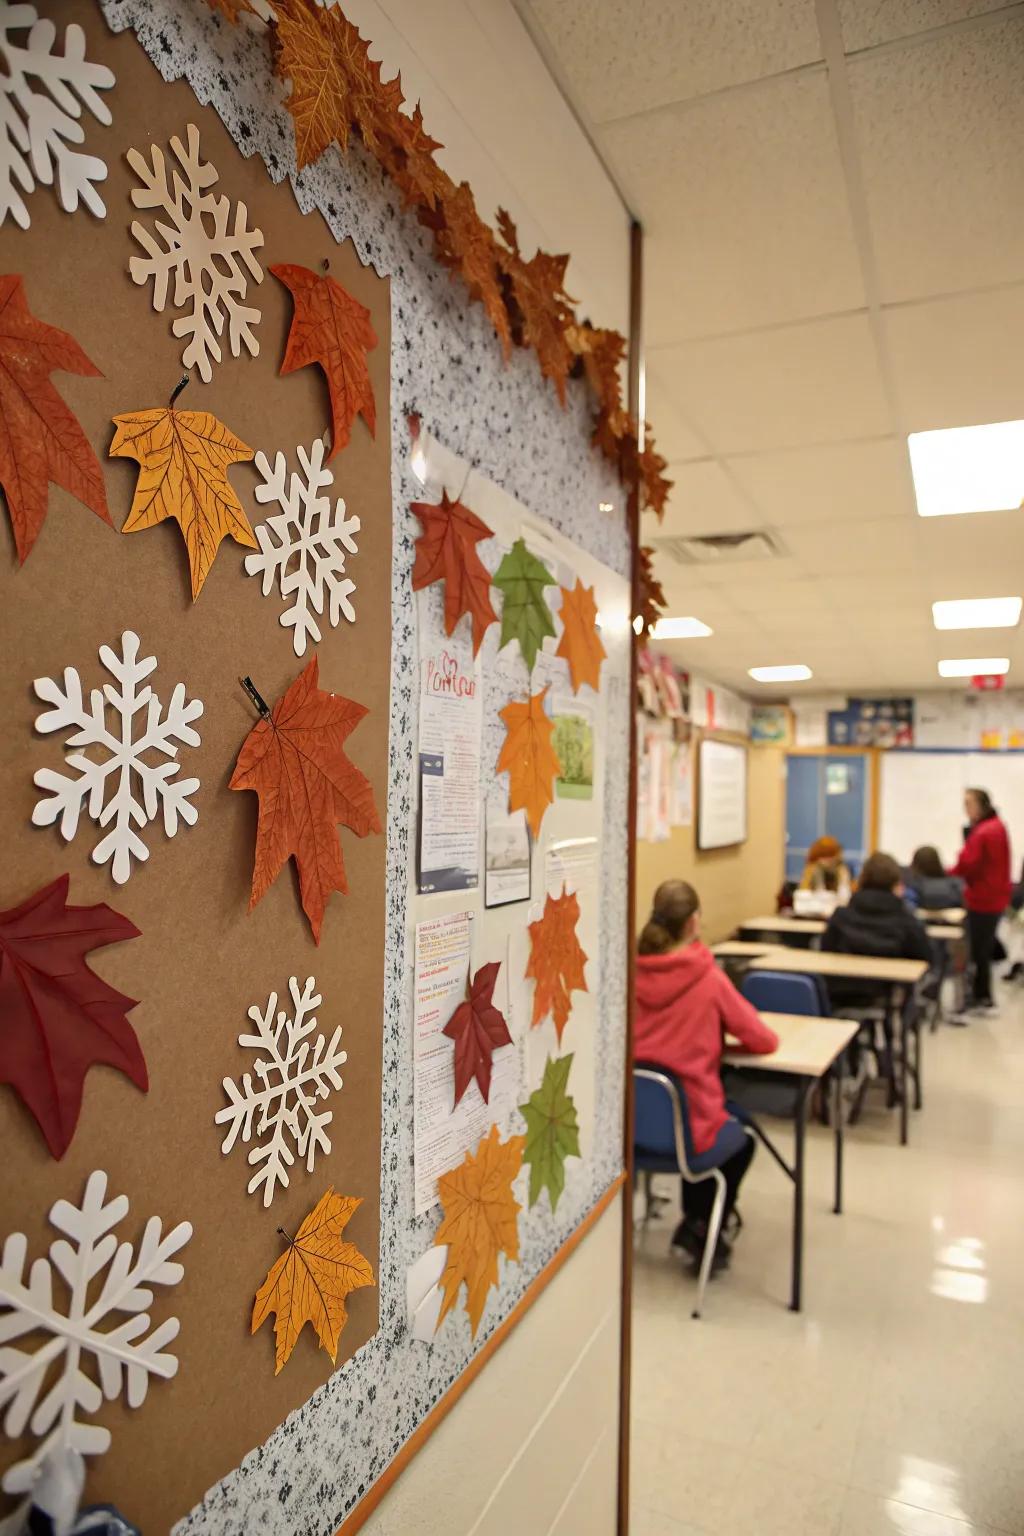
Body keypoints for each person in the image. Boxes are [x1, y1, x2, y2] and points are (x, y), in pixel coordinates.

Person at [635, 879, 779, 1272]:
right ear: (694, 922)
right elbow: (763, 1040)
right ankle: (699, 1225)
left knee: (705, 1123)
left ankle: (696, 1223)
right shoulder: (708, 978)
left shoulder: (629, 974)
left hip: (632, 1131)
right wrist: (723, 1048)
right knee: (741, 1137)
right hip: (691, 1124)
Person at [951, 788, 1012, 1015]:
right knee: (983, 949)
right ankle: (982, 995)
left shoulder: (983, 832)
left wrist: (946, 872)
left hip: (983, 899)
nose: (965, 808)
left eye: (969, 803)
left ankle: (982, 997)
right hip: (994, 896)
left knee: (979, 952)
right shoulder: (997, 827)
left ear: (981, 805)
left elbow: (968, 864)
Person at [905, 846, 964, 911]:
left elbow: (909, 908)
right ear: (937, 861)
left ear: (915, 864)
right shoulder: (955, 883)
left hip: (921, 919)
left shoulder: (912, 886)